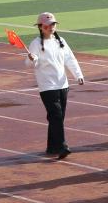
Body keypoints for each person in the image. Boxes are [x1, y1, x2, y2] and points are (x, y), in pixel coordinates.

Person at [26, 12, 85, 159]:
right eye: (47, 25)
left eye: (53, 24)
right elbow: (29, 64)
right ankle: (62, 146)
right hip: (47, 86)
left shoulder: (61, 41)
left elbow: (70, 59)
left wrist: (78, 75)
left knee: (57, 117)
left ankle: (52, 147)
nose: (51, 27)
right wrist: (32, 59)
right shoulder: (35, 44)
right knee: (56, 116)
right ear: (40, 27)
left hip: (62, 84)